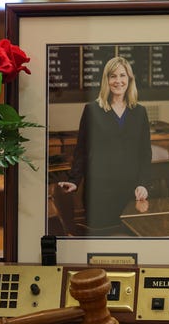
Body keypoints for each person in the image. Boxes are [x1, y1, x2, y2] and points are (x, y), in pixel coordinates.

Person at [58, 56, 152, 233]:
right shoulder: (92, 110)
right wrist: (74, 181)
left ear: (129, 79)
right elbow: (82, 151)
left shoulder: (140, 112)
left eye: (122, 76)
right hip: (99, 193)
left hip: (131, 192)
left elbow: (145, 154)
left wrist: (143, 184)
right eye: (113, 76)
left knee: (130, 241)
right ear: (106, 80)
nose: (118, 81)